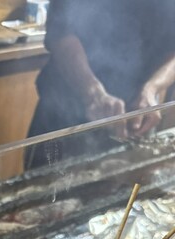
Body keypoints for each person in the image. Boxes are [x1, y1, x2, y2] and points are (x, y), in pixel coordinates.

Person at [26, 0, 175, 166]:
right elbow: (60, 34)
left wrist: (151, 89)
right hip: (65, 112)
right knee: (48, 180)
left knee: (134, 180)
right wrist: (93, 93)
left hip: (137, 117)